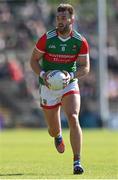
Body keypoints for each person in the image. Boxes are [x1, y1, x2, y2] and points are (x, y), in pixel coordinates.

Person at [30, 3, 90, 175]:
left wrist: (70, 77)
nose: (60, 21)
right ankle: (57, 136)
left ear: (72, 19)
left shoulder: (80, 41)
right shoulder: (47, 38)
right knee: (53, 129)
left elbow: (85, 67)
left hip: (68, 82)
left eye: (63, 18)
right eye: (58, 18)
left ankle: (77, 161)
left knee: (73, 116)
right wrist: (43, 75)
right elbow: (33, 61)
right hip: (48, 85)